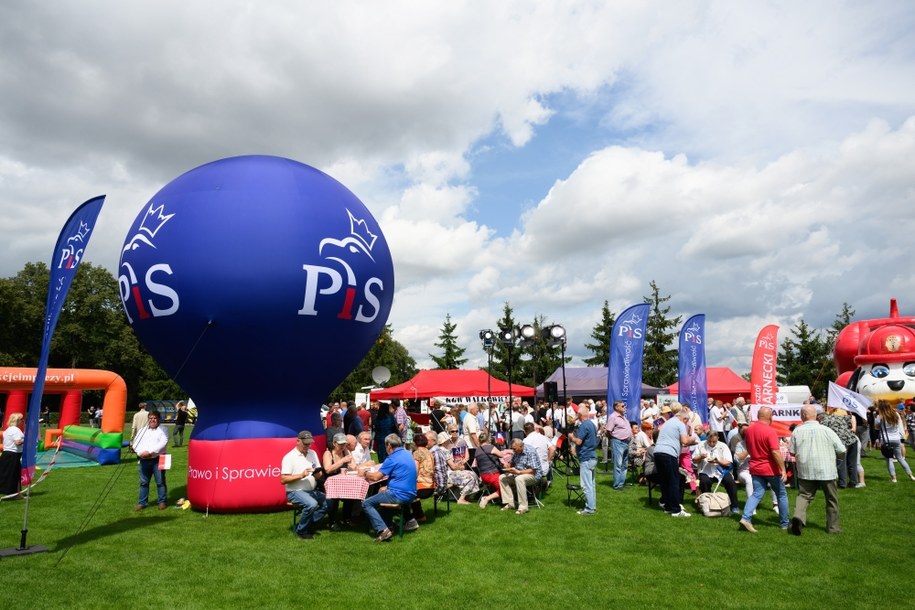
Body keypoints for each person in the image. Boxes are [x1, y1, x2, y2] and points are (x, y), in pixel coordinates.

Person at [788, 405, 845, 535]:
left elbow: (791, 452)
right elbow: (842, 450)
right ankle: (833, 527)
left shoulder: (797, 431)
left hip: (806, 469)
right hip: (827, 470)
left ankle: (798, 517)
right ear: (816, 415)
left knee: (803, 496)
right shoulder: (827, 430)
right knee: (831, 498)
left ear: (802, 416)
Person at [739, 407, 790, 533]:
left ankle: (745, 518)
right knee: (781, 495)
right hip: (770, 469)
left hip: (755, 467)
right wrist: (783, 469)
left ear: (758, 415)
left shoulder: (749, 430)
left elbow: (749, 449)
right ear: (770, 417)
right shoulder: (770, 431)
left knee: (757, 493)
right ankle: (785, 523)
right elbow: (775, 452)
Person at [363, 433, 417, 542]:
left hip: (399, 494)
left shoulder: (392, 458)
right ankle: (389, 525)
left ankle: (382, 530)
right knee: (383, 494)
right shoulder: (407, 454)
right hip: (411, 492)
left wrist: (364, 473)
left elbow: (375, 477)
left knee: (366, 503)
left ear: (388, 445)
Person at [281, 430, 327, 539]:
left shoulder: (313, 453)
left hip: (311, 490)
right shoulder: (289, 457)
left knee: (329, 502)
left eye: (309, 443)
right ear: (298, 441)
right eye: (305, 443)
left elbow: (318, 472)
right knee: (311, 504)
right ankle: (301, 531)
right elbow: (283, 480)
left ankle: (308, 524)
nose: (308, 446)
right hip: (294, 491)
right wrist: (301, 475)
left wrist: (318, 474)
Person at [653, 408, 698, 517]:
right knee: (674, 481)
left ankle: (668, 506)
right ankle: (675, 509)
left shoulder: (668, 423)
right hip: (669, 454)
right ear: (685, 419)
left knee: (665, 481)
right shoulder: (680, 424)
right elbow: (684, 441)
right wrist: (693, 439)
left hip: (658, 452)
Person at [692, 431, 740, 514]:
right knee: (704, 481)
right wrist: (701, 457)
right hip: (705, 470)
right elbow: (694, 460)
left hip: (721, 471)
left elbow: (728, 462)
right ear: (706, 438)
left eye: (714, 441)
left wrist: (718, 461)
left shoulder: (723, 446)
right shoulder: (701, 445)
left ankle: (734, 505)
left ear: (718, 438)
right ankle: (707, 504)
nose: (711, 443)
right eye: (709, 441)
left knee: (730, 482)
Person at [131, 410, 170, 511]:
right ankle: (142, 503)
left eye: (155, 418)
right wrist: (141, 453)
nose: (153, 420)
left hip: (160, 458)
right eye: (151, 418)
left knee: (161, 481)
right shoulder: (142, 430)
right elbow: (135, 444)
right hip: (143, 459)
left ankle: (162, 502)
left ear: (159, 419)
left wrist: (150, 452)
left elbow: (163, 443)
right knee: (144, 482)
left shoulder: (164, 429)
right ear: (148, 419)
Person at [498, 438, 543, 515]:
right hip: (519, 473)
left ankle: (523, 507)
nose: (513, 451)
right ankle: (511, 503)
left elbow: (533, 470)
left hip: (534, 476)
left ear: (521, 446)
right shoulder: (516, 452)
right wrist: (507, 466)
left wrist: (519, 472)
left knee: (519, 479)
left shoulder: (530, 451)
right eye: (512, 449)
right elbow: (512, 464)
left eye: (514, 449)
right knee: (502, 477)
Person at [874, 399, 915, 482]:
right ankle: (910, 475)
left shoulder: (880, 416)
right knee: (900, 458)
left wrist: (876, 418)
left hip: (886, 440)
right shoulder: (896, 414)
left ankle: (894, 478)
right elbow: (899, 424)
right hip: (896, 439)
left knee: (889, 459)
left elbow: (876, 427)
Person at [323, 432, 356, 530]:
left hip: (344, 482)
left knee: (351, 494)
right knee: (333, 498)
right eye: (340, 444)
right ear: (334, 443)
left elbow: (354, 466)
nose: (342, 446)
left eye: (344, 444)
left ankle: (346, 518)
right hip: (330, 484)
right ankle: (332, 522)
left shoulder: (346, 451)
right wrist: (342, 461)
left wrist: (351, 465)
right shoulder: (328, 453)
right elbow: (328, 469)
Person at [570, 404, 598, 515]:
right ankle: (592, 506)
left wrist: (572, 437)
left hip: (586, 457)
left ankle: (589, 509)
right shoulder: (591, 424)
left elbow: (579, 441)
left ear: (580, 415)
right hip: (592, 456)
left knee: (586, 485)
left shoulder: (584, 425)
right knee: (591, 484)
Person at [604, 400, 633, 490]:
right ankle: (616, 485)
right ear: (616, 407)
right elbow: (608, 430)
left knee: (624, 464)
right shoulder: (613, 417)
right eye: (622, 406)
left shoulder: (623, 417)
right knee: (618, 464)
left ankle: (621, 483)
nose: (624, 407)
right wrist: (613, 439)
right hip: (618, 442)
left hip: (626, 443)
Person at [476, 430, 508, 508]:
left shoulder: (477, 450)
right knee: (506, 488)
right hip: (492, 474)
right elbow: (501, 455)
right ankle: (487, 498)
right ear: (488, 439)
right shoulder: (490, 447)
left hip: (483, 476)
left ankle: (506, 501)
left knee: (504, 487)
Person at [1, 413, 25, 497]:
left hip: (7, 454)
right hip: (13, 455)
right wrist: (26, 439)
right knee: (13, 474)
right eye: (22, 419)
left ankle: (17, 494)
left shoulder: (8, 429)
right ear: (17, 420)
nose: (23, 421)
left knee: (7, 474)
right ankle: (15, 493)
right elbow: (17, 442)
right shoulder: (16, 430)